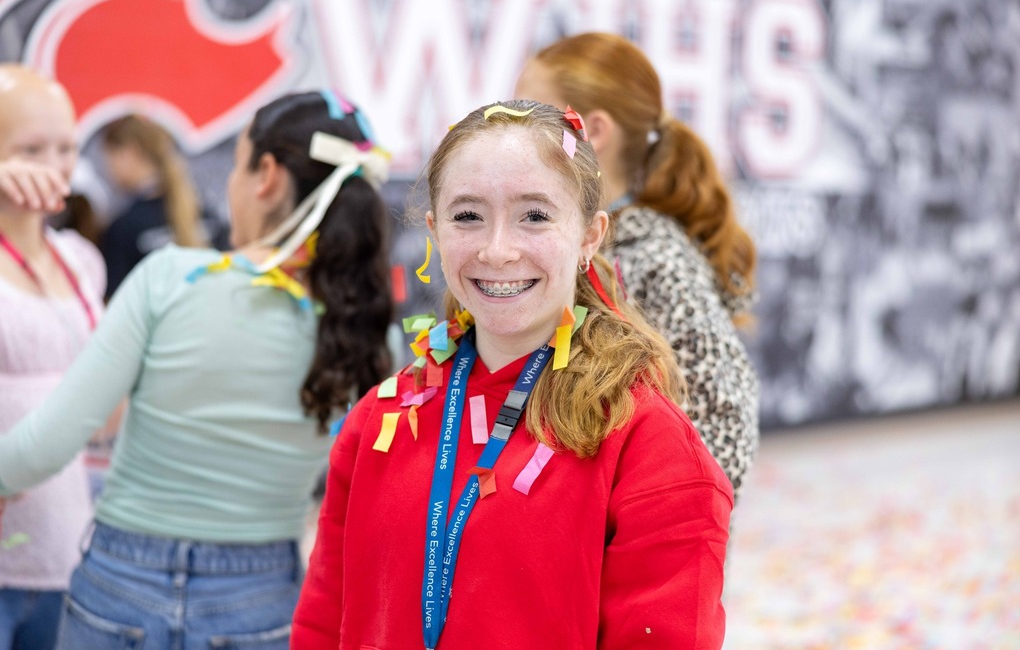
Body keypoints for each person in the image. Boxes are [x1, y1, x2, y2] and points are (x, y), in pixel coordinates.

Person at [292, 100, 733, 649]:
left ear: (590, 235)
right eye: (467, 216)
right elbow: (321, 624)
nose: (497, 251)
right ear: (435, 231)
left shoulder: (647, 441)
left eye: (535, 216)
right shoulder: (377, 422)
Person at [0, 90, 395, 649]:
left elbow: (46, 445)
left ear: (266, 176)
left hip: (121, 586)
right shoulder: (367, 330)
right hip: (260, 600)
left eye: (237, 165)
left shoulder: (170, 280)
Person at [514, 32, 760, 497]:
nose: (509, 131)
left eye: (529, 115)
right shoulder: (577, 245)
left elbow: (725, 415)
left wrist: (640, 516)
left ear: (591, 131)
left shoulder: (652, 257)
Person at [0, 64, 105, 650]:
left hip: (65, 546)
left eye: (65, 147)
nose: (53, 165)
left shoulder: (80, 260)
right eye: (30, 149)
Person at [98, 114, 208, 298]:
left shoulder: (123, 228)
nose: (107, 169)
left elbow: (115, 304)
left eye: (109, 157)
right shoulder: (203, 210)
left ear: (130, 152)